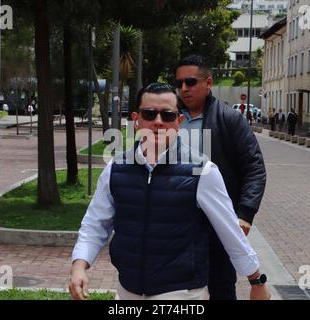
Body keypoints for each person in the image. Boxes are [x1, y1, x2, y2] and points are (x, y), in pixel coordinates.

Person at [68, 83, 271, 300]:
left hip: (181, 292)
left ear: (179, 121)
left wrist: (256, 281)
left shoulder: (202, 171)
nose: (157, 122)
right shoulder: (116, 168)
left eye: (167, 115)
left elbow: (229, 231)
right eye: (149, 114)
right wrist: (79, 266)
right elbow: (95, 224)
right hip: (128, 290)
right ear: (136, 120)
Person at [175, 54, 266, 300]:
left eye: (191, 81)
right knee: (175, 290)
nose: (184, 88)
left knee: (222, 287)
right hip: (178, 223)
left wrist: (245, 214)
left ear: (208, 83)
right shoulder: (170, 118)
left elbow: (254, 168)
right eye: (180, 83)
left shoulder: (229, 119)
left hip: (217, 221)